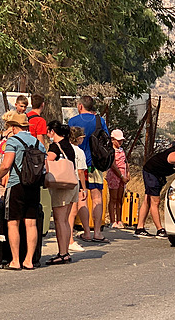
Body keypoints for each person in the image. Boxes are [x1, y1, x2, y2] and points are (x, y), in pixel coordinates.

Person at [0, 113, 46, 270]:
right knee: (31, 223)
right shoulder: (38, 143)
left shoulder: (13, 141)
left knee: (13, 222)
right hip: (33, 186)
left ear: (13, 127)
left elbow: (6, 165)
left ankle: (15, 260)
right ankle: (29, 260)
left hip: (16, 185)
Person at [135, 137, 175, 238]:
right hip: (152, 172)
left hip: (156, 173)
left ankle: (140, 228)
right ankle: (160, 230)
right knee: (155, 201)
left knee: (148, 199)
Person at [68, 95, 110, 243]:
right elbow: (107, 140)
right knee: (97, 197)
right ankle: (97, 232)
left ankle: (86, 232)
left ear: (80, 106)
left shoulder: (73, 121)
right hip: (95, 164)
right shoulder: (100, 121)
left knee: (82, 198)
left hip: (78, 164)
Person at [45, 121, 79, 265]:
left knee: (60, 220)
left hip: (61, 186)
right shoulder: (69, 145)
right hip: (73, 184)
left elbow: (48, 161)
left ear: (53, 131)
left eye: (48, 131)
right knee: (65, 220)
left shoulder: (55, 146)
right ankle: (65, 252)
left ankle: (62, 252)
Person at [68, 126, 88, 252]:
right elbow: (80, 171)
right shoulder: (79, 152)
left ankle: (67, 238)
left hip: (64, 181)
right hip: (74, 182)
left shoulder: (64, 148)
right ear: (78, 138)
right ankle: (70, 240)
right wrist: (84, 188)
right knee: (72, 212)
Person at [106, 129, 129, 229]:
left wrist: (127, 173)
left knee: (120, 199)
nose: (120, 142)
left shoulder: (122, 150)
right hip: (114, 176)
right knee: (113, 198)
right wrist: (121, 176)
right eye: (118, 140)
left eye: (121, 141)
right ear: (112, 140)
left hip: (122, 177)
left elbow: (125, 162)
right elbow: (113, 165)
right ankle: (112, 221)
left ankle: (119, 219)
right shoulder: (111, 151)